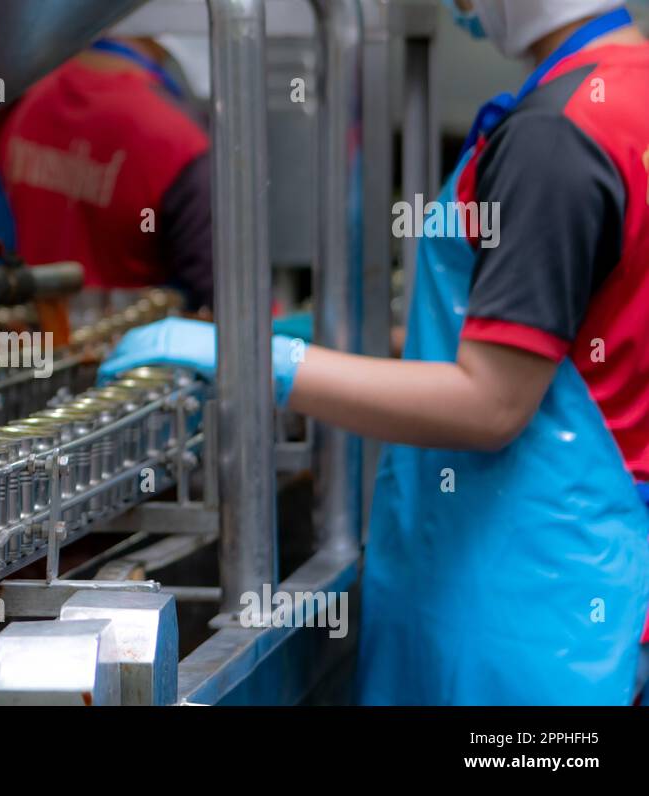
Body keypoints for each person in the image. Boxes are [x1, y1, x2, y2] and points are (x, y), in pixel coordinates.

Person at [101, 0, 649, 705]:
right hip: (595, 580)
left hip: (519, 609)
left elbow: (492, 403)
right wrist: (347, 343)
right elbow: (576, 340)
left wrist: (255, 362)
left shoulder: (556, 135)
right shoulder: (628, 92)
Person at [0, 37, 213, 312]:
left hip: (37, 340)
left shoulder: (30, 103)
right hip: (133, 348)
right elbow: (225, 296)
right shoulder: (177, 138)